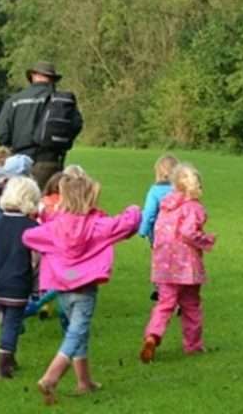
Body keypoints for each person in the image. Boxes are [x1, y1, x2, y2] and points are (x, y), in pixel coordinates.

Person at [22, 174, 141, 405]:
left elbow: (28, 236)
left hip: (63, 285)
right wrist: (134, 209)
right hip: (84, 287)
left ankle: (84, 381)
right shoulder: (98, 225)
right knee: (77, 331)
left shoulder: (55, 227)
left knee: (77, 332)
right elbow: (127, 224)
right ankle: (51, 376)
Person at [140, 163, 216, 364]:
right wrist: (206, 240)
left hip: (164, 265)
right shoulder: (194, 208)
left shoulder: (166, 206)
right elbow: (188, 232)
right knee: (191, 305)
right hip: (186, 267)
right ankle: (193, 345)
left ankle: (152, 335)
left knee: (164, 304)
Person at [0, 177, 41, 379]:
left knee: (8, 320)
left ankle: (10, 357)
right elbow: (36, 260)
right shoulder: (31, 227)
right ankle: (3, 364)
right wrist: (37, 286)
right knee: (13, 322)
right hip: (18, 282)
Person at [0, 61, 83, 189]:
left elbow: (1, 135)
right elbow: (76, 124)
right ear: (52, 79)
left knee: (18, 202)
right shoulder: (60, 101)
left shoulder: (14, 101)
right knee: (47, 205)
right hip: (49, 162)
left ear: (33, 76)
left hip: (18, 163)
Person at [138, 154, 179, 301]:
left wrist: (142, 230)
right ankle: (178, 290)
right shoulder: (180, 190)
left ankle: (160, 288)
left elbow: (149, 213)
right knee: (177, 261)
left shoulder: (155, 191)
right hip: (179, 233)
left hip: (159, 234)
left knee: (160, 260)